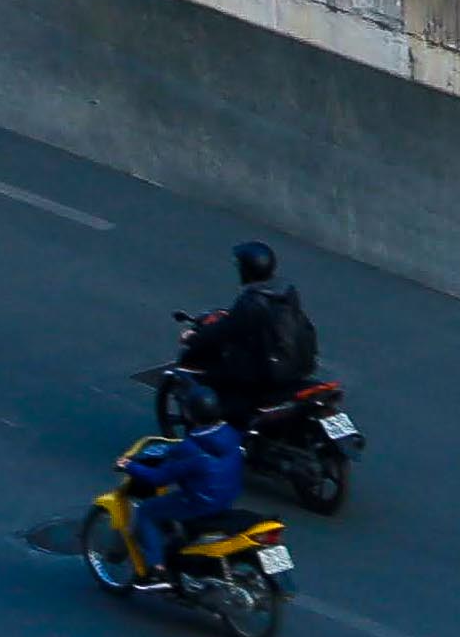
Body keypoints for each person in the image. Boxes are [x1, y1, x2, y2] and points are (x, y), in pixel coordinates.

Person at [177, 241, 319, 427]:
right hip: (300, 363)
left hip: (271, 371)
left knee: (218, 375)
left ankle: (233, 422)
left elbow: (223, 332)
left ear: (247, 270)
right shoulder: (286, 291)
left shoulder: (253, 301)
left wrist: (195, 337)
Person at [122, 414, 247, 583]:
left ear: (190, 414)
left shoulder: (191, 449)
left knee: (147, 511)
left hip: (200, 503)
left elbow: (158, 478)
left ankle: (157, 568)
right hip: (226, 498)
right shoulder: (231, 434)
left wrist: (129, 465)